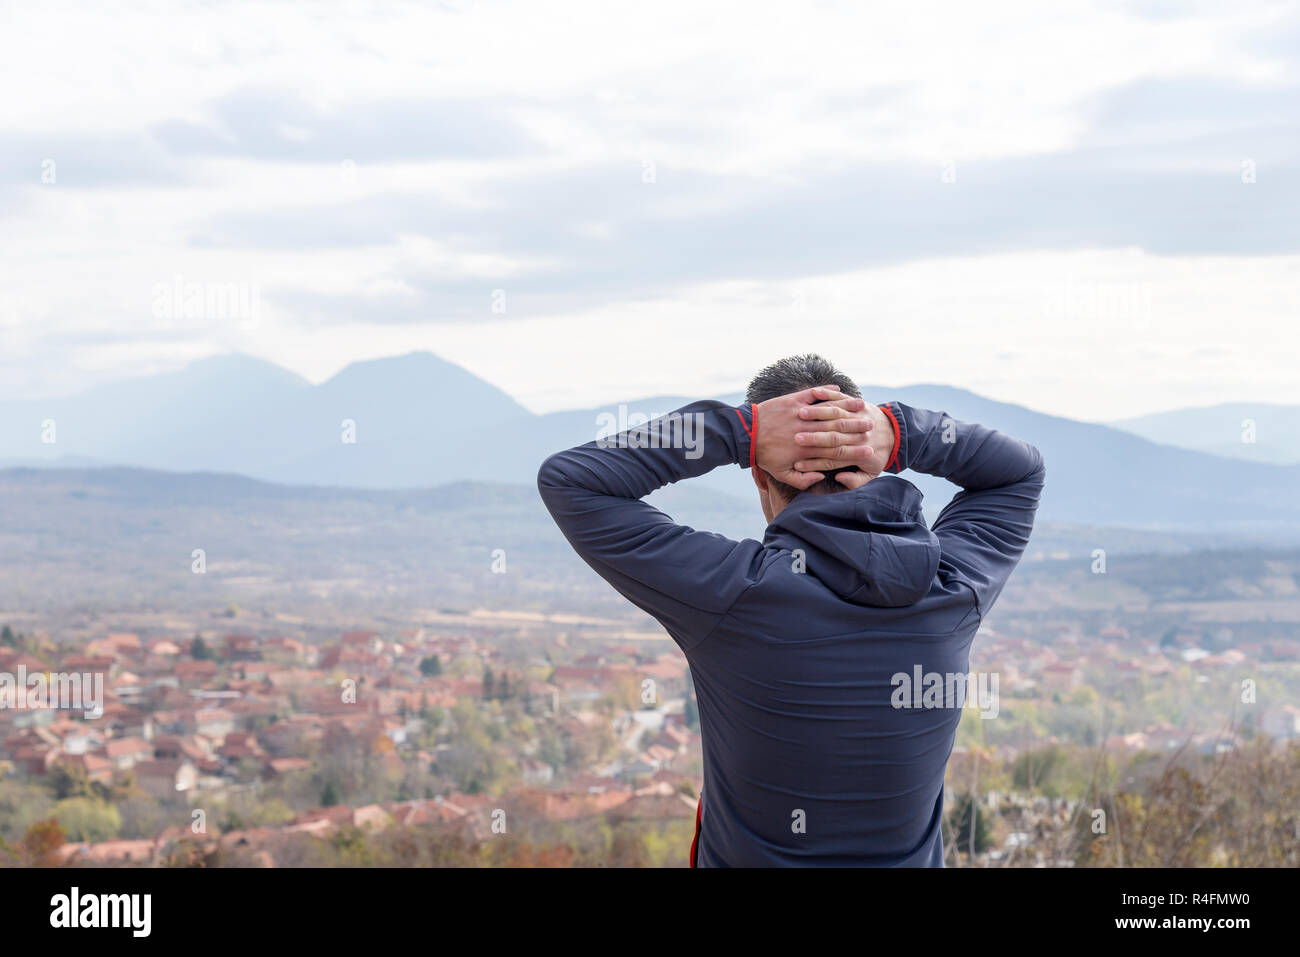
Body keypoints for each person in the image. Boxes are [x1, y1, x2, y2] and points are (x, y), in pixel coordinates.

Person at [537, 354, 1045, 866]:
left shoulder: (733, 593)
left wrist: (742, 431)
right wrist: (898, 430)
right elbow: (1018, 471)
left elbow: (572, 479)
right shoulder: (952, 589)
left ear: (760, 476)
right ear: (869, 457)